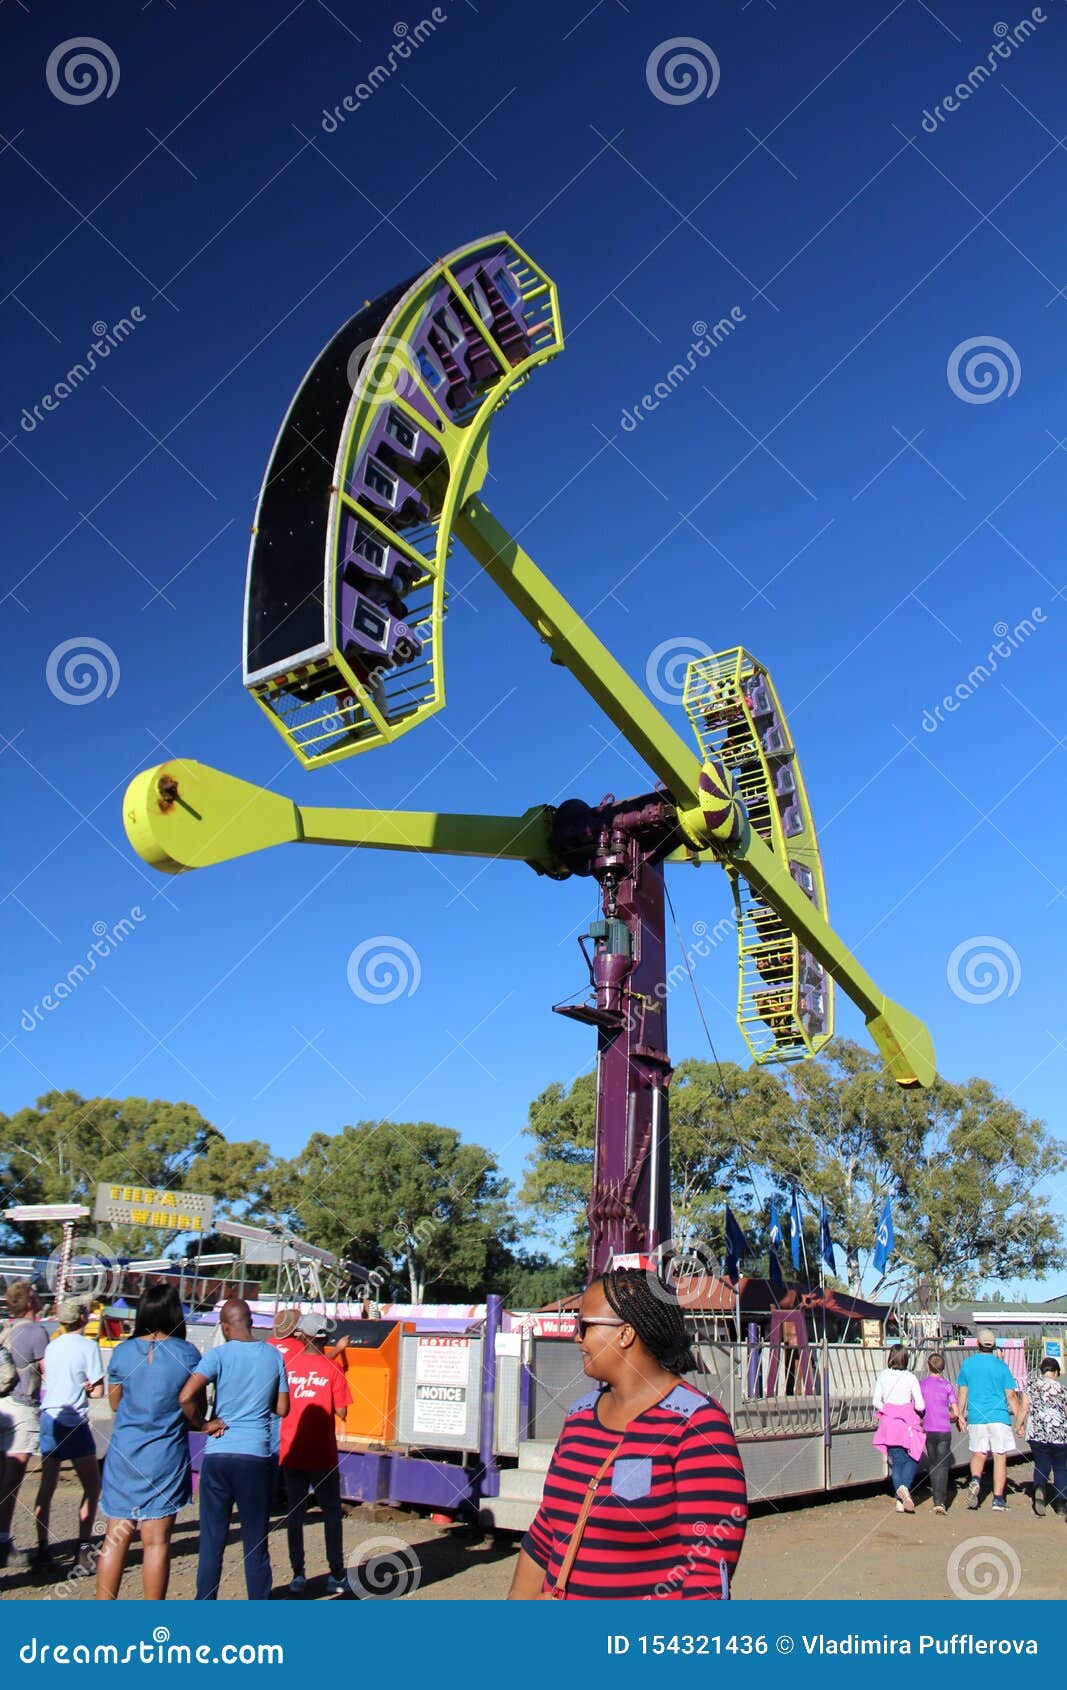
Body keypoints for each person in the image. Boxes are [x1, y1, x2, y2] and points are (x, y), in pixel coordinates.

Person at [508, 1267, 747, 1600]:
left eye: (585, 1326)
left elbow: (705, 1572)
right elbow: (547, 1530)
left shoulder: (698, 1427)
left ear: (625, 1334)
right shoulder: (578, 1417)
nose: (577, 1337)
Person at [96, 1283, 203, 1599]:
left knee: (116, 1537)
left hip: (124, 1454)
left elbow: (115, 1403)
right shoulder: (188, 1354)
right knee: (157, 1541)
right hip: (165, 1455)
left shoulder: (123, 1352)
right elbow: (194, 1406)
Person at [179, 1297, 289, 1600]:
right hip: (255, 1456)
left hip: (218, 1454)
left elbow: (185, 1396)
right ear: (251, 1323)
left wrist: (203, 1424)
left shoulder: (217, 1355)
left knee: (212, 1541)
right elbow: (282, 1408)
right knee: (256, 1541)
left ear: (225, 1327)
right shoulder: (273, 1355)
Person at [279, 1314, 351, 1596]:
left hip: (292, 1450)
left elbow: (279, 1405)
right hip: (322, 1454)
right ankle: (336, 1574)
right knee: (331, 1512)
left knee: (294, 1513)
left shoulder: (287, 1366)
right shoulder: (333, 1368)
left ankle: (298, 1574)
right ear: (325, 1338)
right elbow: (343, 1411)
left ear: (301, 1335)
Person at [34, 1297, 104, 1572]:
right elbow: (98, 1391)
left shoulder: (51, 1347)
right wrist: (87, 1388)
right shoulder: (88, 1346)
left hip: (49, 1417)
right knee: (91, 1485)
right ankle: (83, 1548)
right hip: (74, 1420)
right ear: (84, 1318)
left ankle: (42, 1549)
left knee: (46, 1486)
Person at [0, 1282, 48, 1569]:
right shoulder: (36, 1331)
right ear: (30, 1301)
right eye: (36, 1293)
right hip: (22, 1411)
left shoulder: (7, 1329)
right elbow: (47, 1371)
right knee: (12, 1481)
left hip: (2, 1406)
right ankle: (3, 1542)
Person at [957, 1329, 1024, 1512]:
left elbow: (963, 1391)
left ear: (978, 1344)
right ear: (993, 1346)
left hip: (977, 1417)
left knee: (978, 1453)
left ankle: (976, 1479)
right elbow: (1011, 1395)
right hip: (999, 1416)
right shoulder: (1002, 1366)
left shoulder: (968, 1364)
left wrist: (960, 1414)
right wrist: (1020, 1420)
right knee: (999, 1457)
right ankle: (998, 1499)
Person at [872, 1345, 926, 1513]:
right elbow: (920, 1404)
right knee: (914, 1456)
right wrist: (908, 1409)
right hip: (907, 1424)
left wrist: (889, 1409)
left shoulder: (883, 1375)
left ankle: (900, 1501)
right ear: (906, 1358)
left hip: (888, 1423)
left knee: (897, 1461)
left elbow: (876, 1401)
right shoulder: (910, 1377)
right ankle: (903, 1488)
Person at [1017, 1356, 1067, 1518]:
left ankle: (1039, 1488)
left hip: (1037, 1431)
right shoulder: (1062, 1389)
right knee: (1060, 1467)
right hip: (1058, 1432)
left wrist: (1019, 1425)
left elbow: (1024, 1408)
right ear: (1056, 1372)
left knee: (1041, 1462)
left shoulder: (1030, 1386)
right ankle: (1060, 1504)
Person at [919, 1352, 960, 1515]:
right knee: (943, 1465)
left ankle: (935, 1493)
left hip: (928, 1429)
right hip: (944, 1430)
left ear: (928, 1366)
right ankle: (940, 1501)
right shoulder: (947, 1386)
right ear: (943, 1368)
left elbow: (918, 1406)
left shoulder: (922, 1385)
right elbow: (956, 1412)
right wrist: (949, 1415)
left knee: (933, 1463)